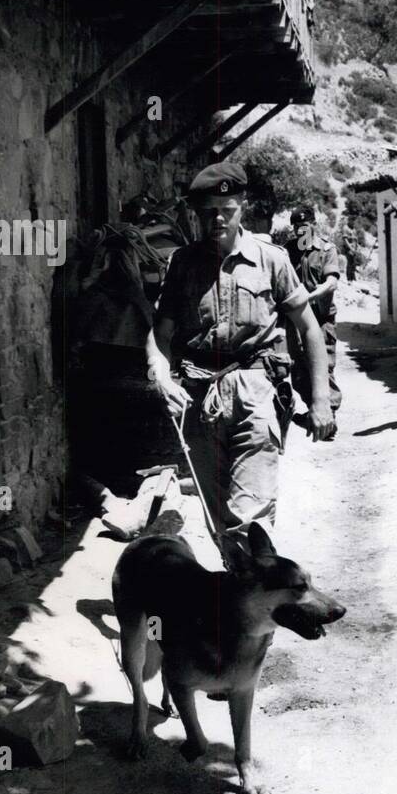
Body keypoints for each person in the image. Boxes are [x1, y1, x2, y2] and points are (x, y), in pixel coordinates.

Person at [146, 162, 335, 560]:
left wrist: (320, 399)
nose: (217, 219)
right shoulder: (182, 263)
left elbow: (310, 330)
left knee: (249, 518)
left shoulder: (272, 259)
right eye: (207, 211)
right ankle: (245, 606)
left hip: (256, 391)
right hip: (198, 398)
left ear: (242, 207)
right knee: (220, 522)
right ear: (197, 213)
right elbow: (160, 334)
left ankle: (257, 610)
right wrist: (161, 375)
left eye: (226, 209)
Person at [284, 204, 342, 432]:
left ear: (313, 225)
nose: (301, 230)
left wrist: (308, 296)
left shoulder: (327, 249)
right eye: (297, 227)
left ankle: (331, 415)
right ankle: (313, 410)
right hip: (297, 318)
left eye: (305, 226)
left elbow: (332, 282)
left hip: (321, 317)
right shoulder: (287, 251)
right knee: (298, 368)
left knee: (324, 365)